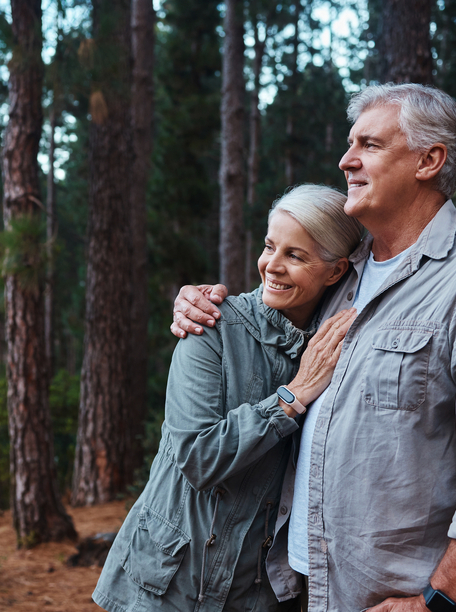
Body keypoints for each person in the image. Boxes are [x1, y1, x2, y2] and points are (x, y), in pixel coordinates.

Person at [172, 83, 456, 612]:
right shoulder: (342, 275)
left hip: (397, 599)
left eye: (369, 145)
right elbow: (259, 314)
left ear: (429, 160)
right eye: (351, 145)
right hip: (302, 589)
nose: (346, 160)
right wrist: (198, 303)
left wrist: (437, 602)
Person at [93, 185, 363, 612]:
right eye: (270, 246)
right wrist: (291, 398)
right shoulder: (210, 327)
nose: (272, 266)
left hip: (254, 595)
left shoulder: (338, 349)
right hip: (164, 590)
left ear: (335, 271)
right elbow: (198, 456)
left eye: (295, 255)